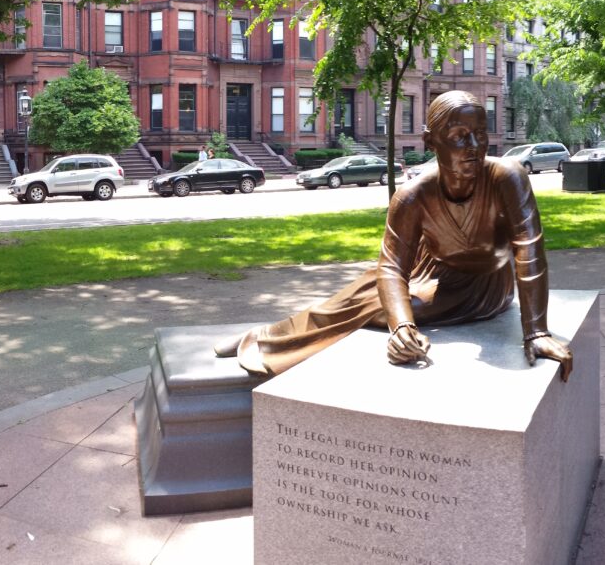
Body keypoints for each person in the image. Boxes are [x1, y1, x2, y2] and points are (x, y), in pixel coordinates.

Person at [218, 91, 573, 380]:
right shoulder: (414, 194)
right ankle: (266, 335)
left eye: (480, 134)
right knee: (347, 300)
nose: (474, 146)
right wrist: (402, 326)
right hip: (428, 268)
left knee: (385, 307)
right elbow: (391, 268)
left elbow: (529, 252)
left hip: (482, 284)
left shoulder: (506, 177)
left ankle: (271, 342)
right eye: (458, 137)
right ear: (431, 141)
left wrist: (536, 331)